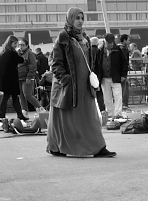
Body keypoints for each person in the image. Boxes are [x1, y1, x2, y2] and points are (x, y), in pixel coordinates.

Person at [47, 7, 115, 158]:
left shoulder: (85, 38)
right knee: (66, 119)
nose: (80, 21)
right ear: (70, 19)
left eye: (82, 18)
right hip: (70, 86)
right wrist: (65, 80)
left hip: (85, 85)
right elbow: (54, 62)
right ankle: (57, 146)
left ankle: (98, 147)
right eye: (77, 18)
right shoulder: (63, 38)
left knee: (90, 117)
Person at [94, 34, 128, 117]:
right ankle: (110, 114)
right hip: (104, 78)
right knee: (107, 98)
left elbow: (124, 63)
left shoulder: (118, 50)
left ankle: (118, 114)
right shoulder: (99, 51)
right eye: (108, 43)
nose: (110, 45)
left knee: (118, 97)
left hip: (116, 77)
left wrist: (123, 75)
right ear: (104, 42)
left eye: (111, 43)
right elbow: (96, 64)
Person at [0, 35, 27, 121]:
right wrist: (21, 54)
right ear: (10, 43)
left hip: (4, 78)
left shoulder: (2, 52)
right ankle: (5, 115)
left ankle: (4, 115)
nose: (16, 45)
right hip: (11, 78)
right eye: (14, 43)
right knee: (12, 97)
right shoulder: (11, 52)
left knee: (9, 97)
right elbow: (21, 60)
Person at [16, 37, 45, 116]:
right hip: (19, 77)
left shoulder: (30, 54)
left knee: (28, 95)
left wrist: (29, 77)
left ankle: (41, 109)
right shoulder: (17, 53)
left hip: (27, 78)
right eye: (19, 45)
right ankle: (24, 112)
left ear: (27, 45)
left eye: (22, 45)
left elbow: (32, 66)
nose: (20, 46)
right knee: (21, 96)